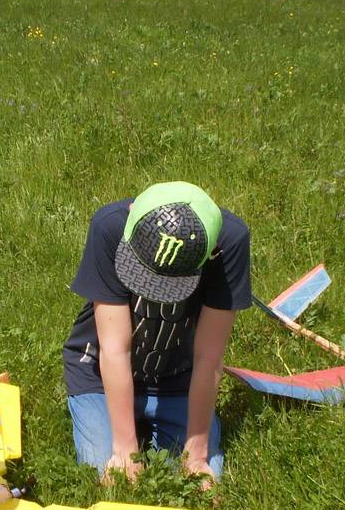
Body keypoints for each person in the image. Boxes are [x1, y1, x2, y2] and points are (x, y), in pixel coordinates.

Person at [62, 182, 252, 487]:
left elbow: (209, 356)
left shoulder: (230, 241)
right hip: (98, 374)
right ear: (132, 214)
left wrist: (197, 455)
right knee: (104, 470)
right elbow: (114, 349)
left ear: (211, 249)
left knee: (201, 481)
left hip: (178, 379)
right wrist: (124, 450)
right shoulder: (109, 227)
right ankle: (123, 430)